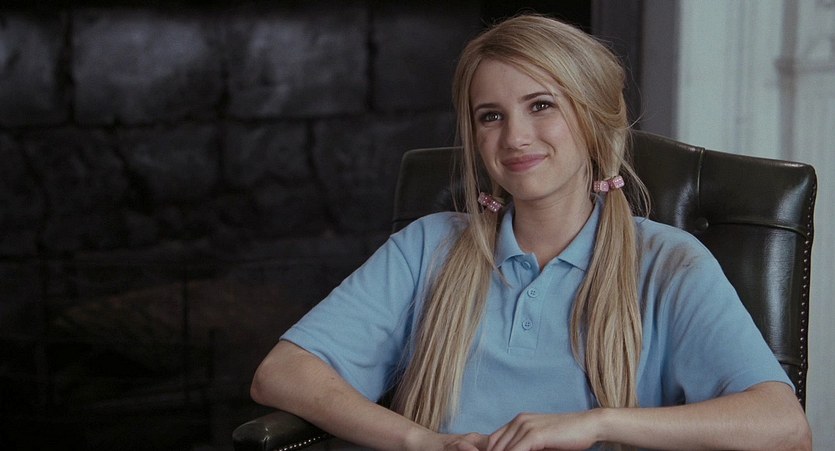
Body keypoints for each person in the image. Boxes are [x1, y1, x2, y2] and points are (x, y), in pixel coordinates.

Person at [250, 15, 812, 450]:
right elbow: (282, 373)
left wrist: (596, 424)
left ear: (594, 119)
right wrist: (419, 440)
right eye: (490, 116)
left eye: (541, 106)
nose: (515, 137)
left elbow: (784, 428)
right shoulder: (428, 246)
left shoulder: (668, 263)